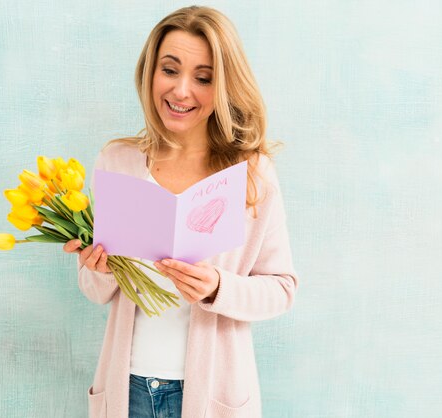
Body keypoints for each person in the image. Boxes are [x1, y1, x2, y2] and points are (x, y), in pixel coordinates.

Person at [62, 6, 298, 418]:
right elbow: (95, 289)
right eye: (169, 70)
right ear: (150, 72)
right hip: (127, 390)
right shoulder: (118, 161)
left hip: (212, 396)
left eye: (203, 78)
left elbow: (281, 289)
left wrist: (216, 288)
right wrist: (97, 269)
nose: (181, 90)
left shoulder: (252, 175)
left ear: (224, 86)